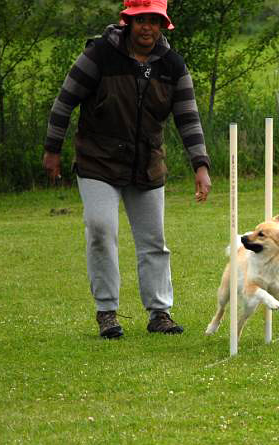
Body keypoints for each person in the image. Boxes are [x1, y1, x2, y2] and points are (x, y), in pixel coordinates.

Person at [42, 0, 211, 338]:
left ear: (162, 25)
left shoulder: (173, 66)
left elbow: (188, 117)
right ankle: (107, 312)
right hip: (97, 161)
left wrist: (201, 164)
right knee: (101, 229)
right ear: (127, 21)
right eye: (140, 20)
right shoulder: (99, 56)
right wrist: (52, 149)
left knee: (153, 241)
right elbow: (65, 100)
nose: (146, 27)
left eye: (153, 21)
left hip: (147, 164)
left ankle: (159, 313)